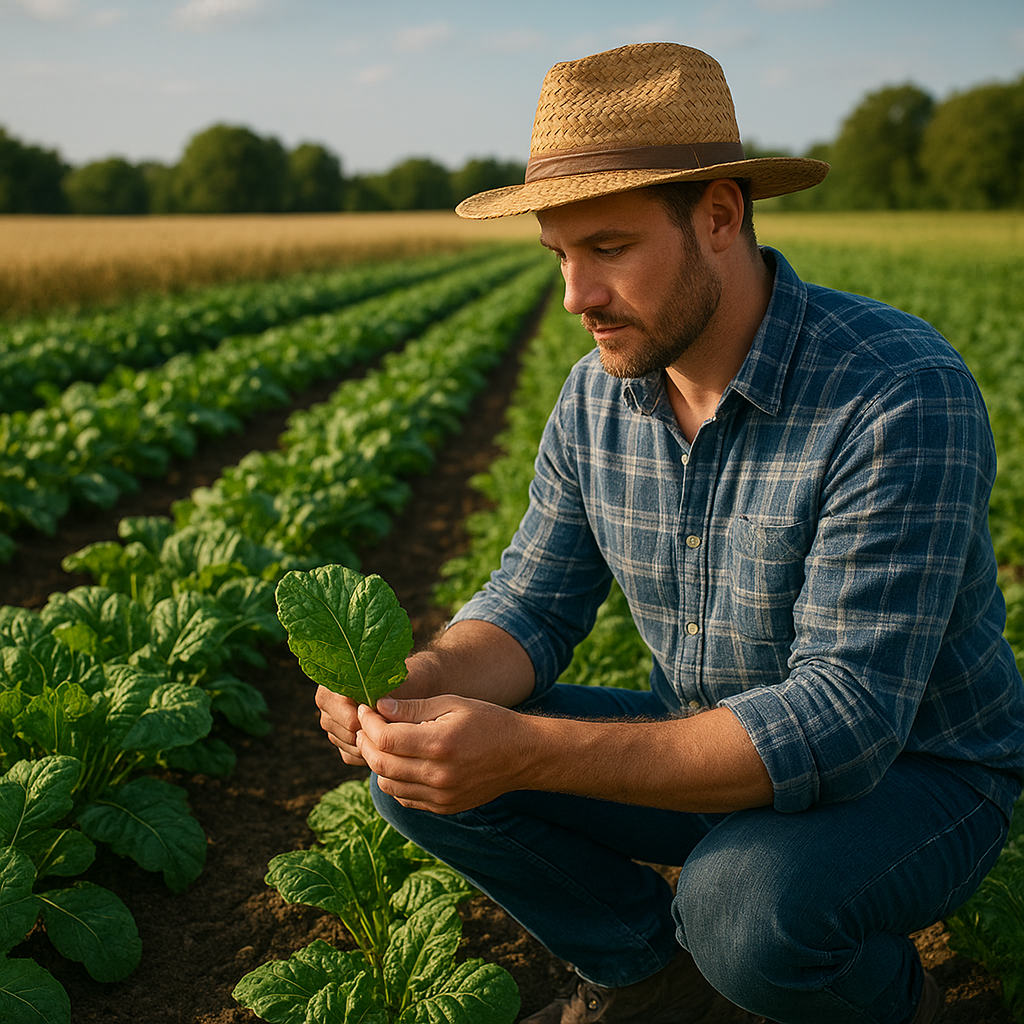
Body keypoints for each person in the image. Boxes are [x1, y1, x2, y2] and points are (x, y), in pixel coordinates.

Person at [316, 41, 1024, 1024]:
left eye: (608, 248)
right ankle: (657, 979)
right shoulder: (595, 401)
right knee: (421, 773)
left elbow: (844, 719)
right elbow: (530, 603)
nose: (575, 297)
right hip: (706, 748)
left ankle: (909, 1008)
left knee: (740, 905)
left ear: (721, 216)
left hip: (916, 775)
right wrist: (419, 687)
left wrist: (522, 749)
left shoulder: (893, 391)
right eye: (560, 256)